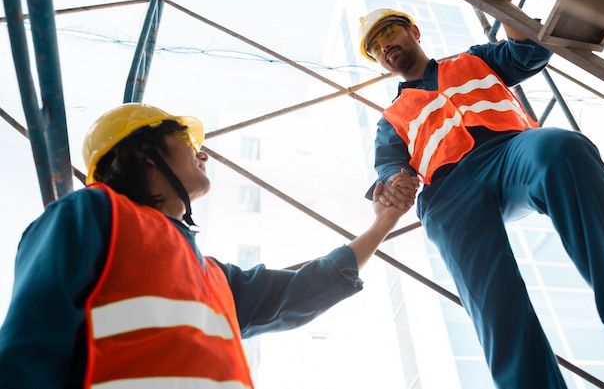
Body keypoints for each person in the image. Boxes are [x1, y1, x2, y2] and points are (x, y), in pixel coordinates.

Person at [0, 102, 415, 388]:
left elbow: (310, 285)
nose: (203, 154)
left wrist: (384, 222)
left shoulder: (213, 277)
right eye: (184, 136)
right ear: (146, 151)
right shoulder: (93, 212)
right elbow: (28, 348)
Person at [357, 0, 604, 389]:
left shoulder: (474, 60)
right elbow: (389, 168)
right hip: (449, 195)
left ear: (414, 32)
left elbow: (528, 51)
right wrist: (393, 183)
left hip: (510, 152)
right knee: (493, 300)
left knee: (563, 149)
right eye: (375, 46)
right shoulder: (390, 118)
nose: (383, 46)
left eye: (388, 32)